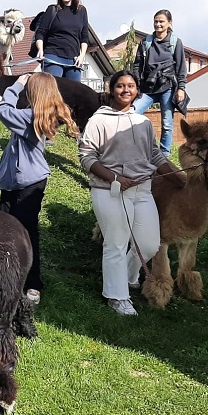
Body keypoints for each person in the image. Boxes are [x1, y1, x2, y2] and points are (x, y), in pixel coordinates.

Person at [78, 70, 185, 317]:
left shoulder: (143, 122)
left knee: (149, 244)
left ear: (137, 90)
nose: (126, 90)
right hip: (110, 190)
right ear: (112, 90)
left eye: (131, 86)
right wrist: (114, 178)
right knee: (116, 243)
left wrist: (177, 179)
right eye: (120, 86)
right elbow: (86, 156)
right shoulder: (98, 120)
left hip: (142, 189)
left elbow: (155, 155)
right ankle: (117, 297)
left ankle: (125, 276)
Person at [0, 70, 79, 305]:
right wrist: (1, 171)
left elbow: (2, 110)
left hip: (28, 184)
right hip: (17, 181)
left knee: (26, 233)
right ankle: (10, 274)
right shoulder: (36, 115)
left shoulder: (31, 117)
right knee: (9, 230)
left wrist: (16, 85)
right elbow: (14, 148)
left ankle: (32, 282)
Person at [132, 9, 189, 155]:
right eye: (156, 21)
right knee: (132, 114)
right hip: (147, 88)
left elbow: (181, 67)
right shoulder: (146, 42)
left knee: (167, 124)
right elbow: (137, 65)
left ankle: (164, 155)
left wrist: (181, 88)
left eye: (161, 21)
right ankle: (136, 148)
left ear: (169, 23)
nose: (158, 24)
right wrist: (136, 85)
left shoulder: (175, 42)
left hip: (167, 87)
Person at [33, 0, 90, 82]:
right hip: (53, 56)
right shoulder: (52, 10)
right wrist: (40, 50)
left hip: (73, 60)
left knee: (74, 90)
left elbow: (84, 36)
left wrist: (82, 56)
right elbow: (40, 32)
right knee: (53, 87)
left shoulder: (82, 11)